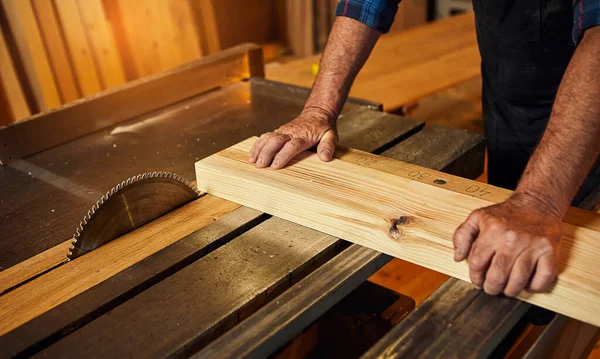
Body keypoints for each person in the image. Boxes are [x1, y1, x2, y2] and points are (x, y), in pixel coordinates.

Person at [249, 0, 600, 298]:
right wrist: (318, 111)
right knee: (510, 266)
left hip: (590, 106)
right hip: (511, 95)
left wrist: (540, 201)